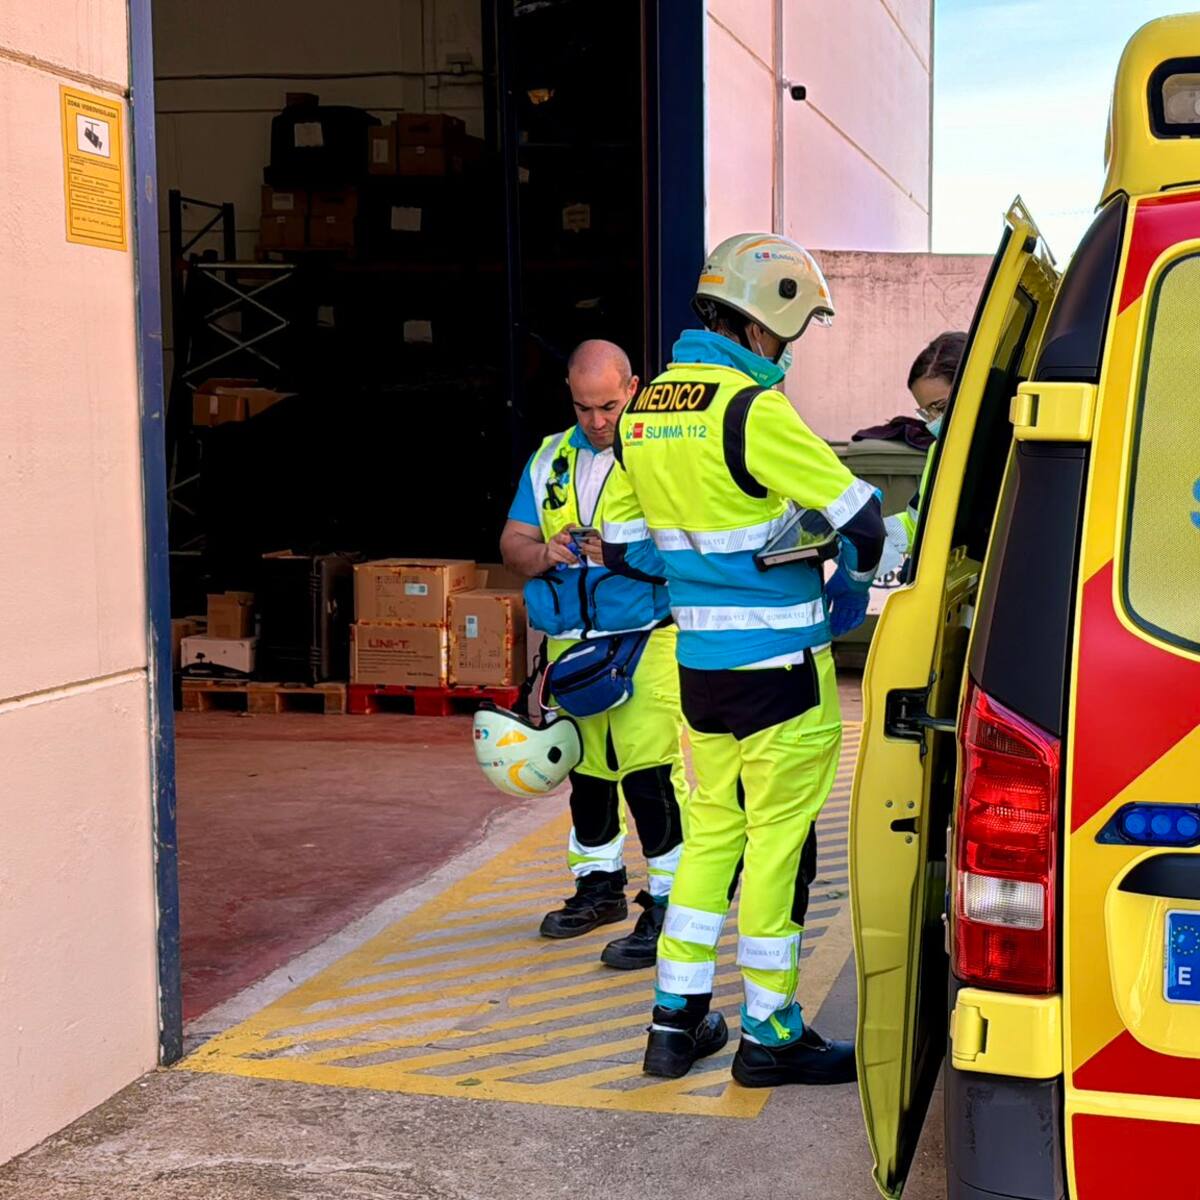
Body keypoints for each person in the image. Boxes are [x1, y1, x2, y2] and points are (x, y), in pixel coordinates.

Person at [601, 234, 885, 1085]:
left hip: (700, 669)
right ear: (762, 324)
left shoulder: (644, 413)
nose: (787, 352)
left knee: (711, 837)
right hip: (783, 670)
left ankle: (674, 1022)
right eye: (788, 335)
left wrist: (702, 573)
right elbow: (863, 519)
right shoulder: (751, 410)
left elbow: (621, 545)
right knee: (776, 846)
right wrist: (843, 580)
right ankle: (771, 1033)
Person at [500, 339, 689, 970]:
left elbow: (690, 547)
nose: (598, 420)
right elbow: (512, 542)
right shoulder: (549, 458)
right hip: (571, 644)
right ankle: (599, 887)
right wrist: (543, 552)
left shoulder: (660, 456)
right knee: (586, 773)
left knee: (649, 773)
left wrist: (619, 554)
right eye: (584, 407)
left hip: (644, 637)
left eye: (608, 405)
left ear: (633, 389)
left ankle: (669, 904)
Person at [884, 331, 967, 561]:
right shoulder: (939, 450)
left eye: (940, 407)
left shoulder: (1006, 450)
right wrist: (878, 533)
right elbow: (919, 523)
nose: (933, 420)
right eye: (926, 412)